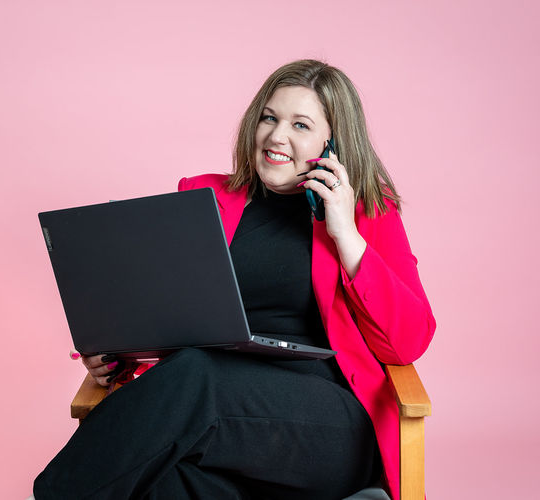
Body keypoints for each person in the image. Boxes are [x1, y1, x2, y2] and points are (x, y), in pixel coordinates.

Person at [34, 59, 435, 500]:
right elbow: (170, 317)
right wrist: (117, 356)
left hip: (324, 423)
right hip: (219, 420)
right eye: (269, 117)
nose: (277, 136)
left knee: (196, 375)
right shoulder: (204, 199)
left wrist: (346, 235)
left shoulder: (367, 213)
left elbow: (407, 341)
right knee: (166, 480)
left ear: (333, 143)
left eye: (300, 125)